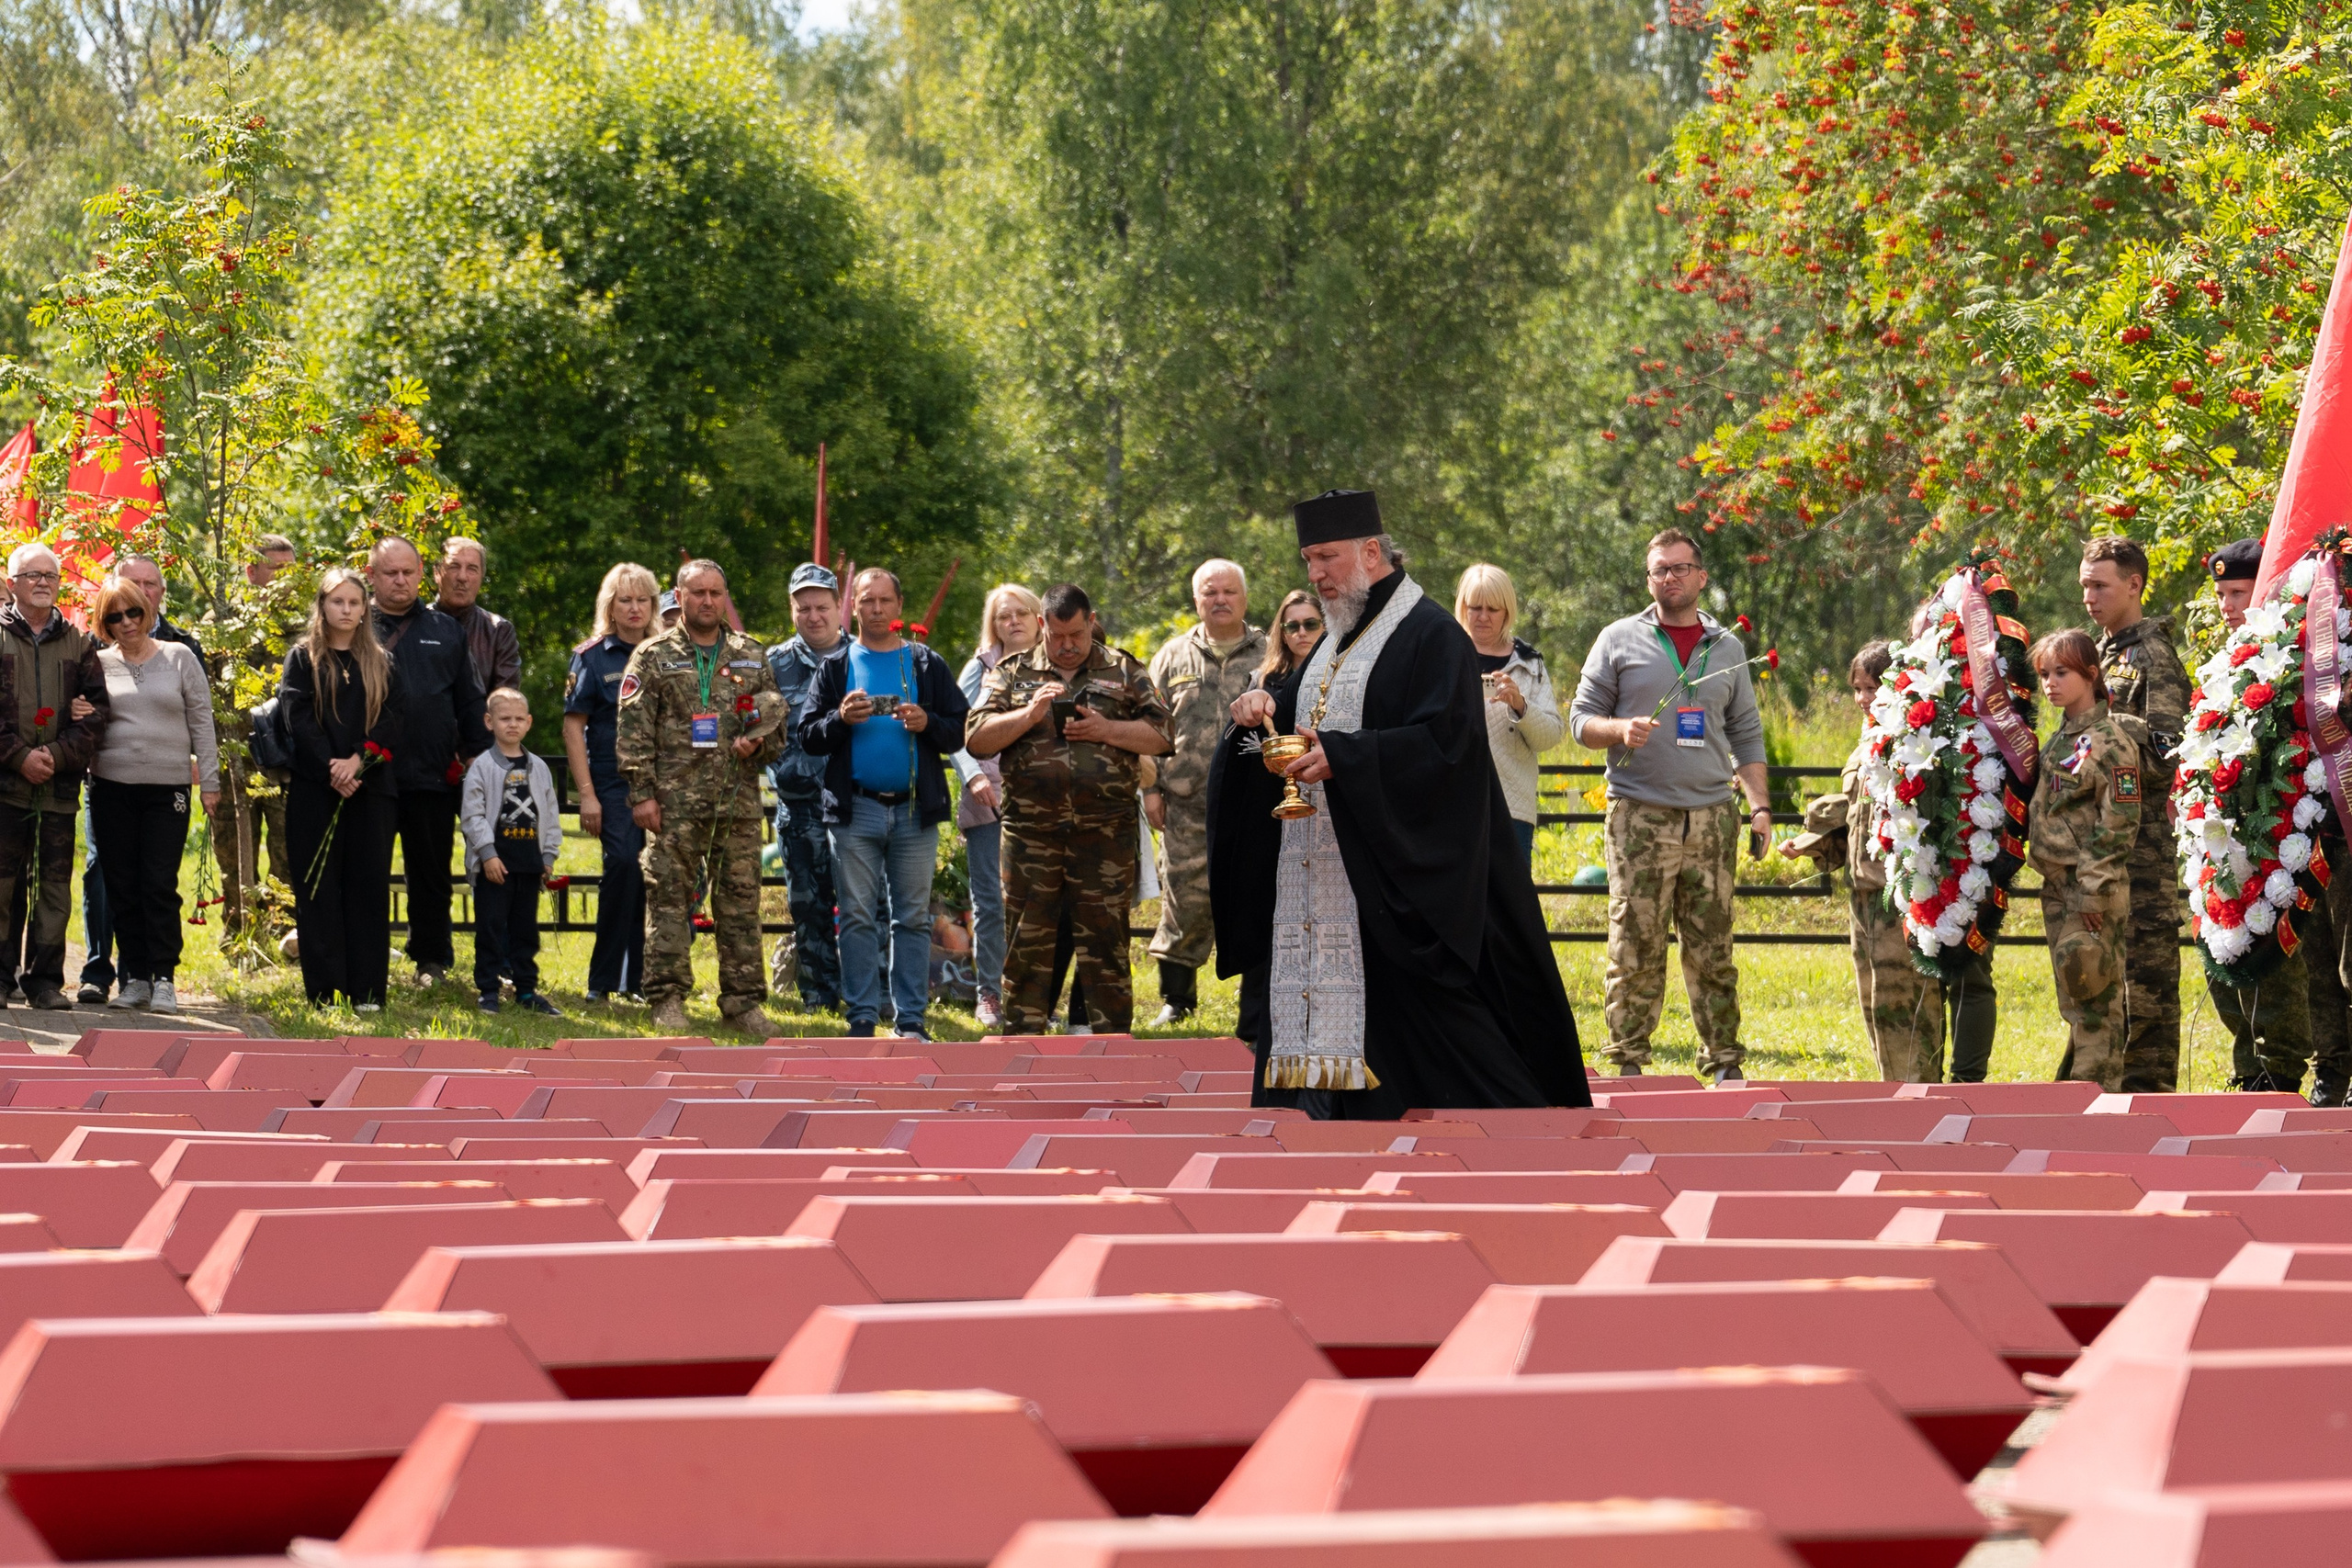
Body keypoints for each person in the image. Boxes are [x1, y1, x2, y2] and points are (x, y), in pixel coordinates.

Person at [1210, 491, 1588, 1116]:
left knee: (1447, 1059)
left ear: (1369, 552)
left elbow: (1449, 746)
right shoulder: (1329, 645)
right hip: (1322, 879)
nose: (1315, 574)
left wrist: (1349, 759)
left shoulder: (1432, 633)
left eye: (1326, 557)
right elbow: (1297, 730)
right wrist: (1256, 720)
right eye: (1308, 559)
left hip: (1396, 891)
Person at [1566, 528, 1770, 1082]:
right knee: (1634, 941)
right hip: (1640, 814)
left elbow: (1747, 735)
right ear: (1649, 578)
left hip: (1710, 817)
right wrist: (1617, 729)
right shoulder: (1617, 639)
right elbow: (1580, 720)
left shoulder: (1726, 647)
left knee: (1713, 947)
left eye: (1680, 568)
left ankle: (1724, 1062)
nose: (1670, 578)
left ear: (1701, 578)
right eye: (1660, 570)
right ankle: (1627, 1059)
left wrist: (1758, 808)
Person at [1784, 640, 1995, 1081]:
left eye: (1871, 687)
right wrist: (1815, 842)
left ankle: (1917, 1095)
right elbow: (1858, 816)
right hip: (1861, 892)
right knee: (1875, 1003)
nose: (1863, 698)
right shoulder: (1865, 744)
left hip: (1899, 895)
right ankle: (1893, 1087)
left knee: (1906, 1004)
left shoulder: (1911, 740)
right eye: (1857, 689)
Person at [968, 582, 1168, 1035]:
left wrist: (1107, 729)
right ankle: (1022, 1040)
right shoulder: (1013, 672)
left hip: (1104, 834)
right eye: (1057, 635)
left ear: (1091, 621)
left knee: (1106, 943)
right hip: (1031, 836)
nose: (1067, 645)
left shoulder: (1123, 670)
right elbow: (976, 737)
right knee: (1027, 942)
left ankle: (1110, 1042)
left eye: (1076, 634)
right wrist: (1025, 717)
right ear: (1042, 626)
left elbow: (1162, 736)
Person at [2193, 538, 2339, 1097]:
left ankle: (2284, 1066)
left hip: (2290, 829)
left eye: (2240, 592)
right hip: (2230, 832)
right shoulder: (2224, 664)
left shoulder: (2302, 653)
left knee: (2295, 956)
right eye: (2222, 593)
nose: (2228, 605)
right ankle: (2249, 1064)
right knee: (2230, 947)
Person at [616, 558, 786, 1036]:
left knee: (740, 902)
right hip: (673, 804)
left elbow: (776, 724)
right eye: (697, 593)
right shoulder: (652, 656)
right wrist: (642, 794)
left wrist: (760, 741)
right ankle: (667, 998)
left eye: (715, 593)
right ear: (679, 597)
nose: (707, 601)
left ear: (724, 597)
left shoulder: (751, 655)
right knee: (668, 899)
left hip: (736, 802)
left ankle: (743, 1003)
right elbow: (633, 732)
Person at [800, 568, 970, 1042]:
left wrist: (927, 722)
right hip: (857, 810)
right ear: (853, 607)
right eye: (867, 601)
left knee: (911, 918)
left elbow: (960, 729)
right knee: (855, 915)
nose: (876, 609)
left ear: (900, 607)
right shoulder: (836, 666)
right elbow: (808, 738)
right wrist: (840, 719)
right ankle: (862, 1016)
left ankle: (911, 1019)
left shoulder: (923, 663)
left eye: (885, 601)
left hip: (916, 810)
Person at [2080, 535, 2190, 1092]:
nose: (2089, 597)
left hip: (2142, 854)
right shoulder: (2099, 656)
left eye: (2100, 585)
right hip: (2103, 849)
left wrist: (2106, 732)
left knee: (2144, 992)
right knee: (2104, 988)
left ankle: (2151, 1110)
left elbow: (2171, 751)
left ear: (2134, 585)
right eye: (2084, 586)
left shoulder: (2152, 657)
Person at [85, 575, 218, 1015]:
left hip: (168, 789)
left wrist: (211, 781)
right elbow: (84, 713)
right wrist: (75, 709)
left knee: (158, 883)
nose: (126, 623)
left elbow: (202, 720)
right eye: (114, 617)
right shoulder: (97, 663)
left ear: (148, 609)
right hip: (111, 786)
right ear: (104, 624)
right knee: (121, 884)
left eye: (134, 612)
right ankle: (135, 978)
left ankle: (164, 977)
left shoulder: (179, 657)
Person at [1144, 560, 1267, 1026]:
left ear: (1244, 598)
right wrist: (1151, 789)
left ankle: (1255, 1009)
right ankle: (1177, 1000)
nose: (1220, 600)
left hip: (1255, 802)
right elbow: (1150, 725)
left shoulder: (1269, 653)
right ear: (1196, 600)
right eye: (1210, 592)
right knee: (1183, 899)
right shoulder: (1172, 656)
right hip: (1185, 804)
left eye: (1229, 592)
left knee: (1255, 897)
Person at [368, 536, 488, 988]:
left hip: (433, 774)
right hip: (369, 775)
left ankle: (431, 959)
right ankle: (369, 951)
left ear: (423, 574)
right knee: (369, 870)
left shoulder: (447, 629)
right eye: (390, 573)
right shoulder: (357, 627)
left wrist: (476, 753)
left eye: (407, 572)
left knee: (432, 873)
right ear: (372, 575)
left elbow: (470, 700)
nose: (400, 581)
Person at [281, 568, 401, 1010]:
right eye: (338, 602)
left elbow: (393, 719)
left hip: (371, 791)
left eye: (355, 602)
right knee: (319, 889)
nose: (346, 610)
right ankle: (325, 991)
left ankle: (368, 990)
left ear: (365, 608)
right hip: (317, 789)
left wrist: (357, 760)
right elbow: (297, 716)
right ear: (323, 606)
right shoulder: (303, 658)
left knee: (367, 888)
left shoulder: (382, 660)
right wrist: (332, 767)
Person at [2028, 629, 2142, 1089]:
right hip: (2059, 887)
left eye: (2062, 673)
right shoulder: (2062, 739)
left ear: (2091, 675)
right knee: (2078, 997)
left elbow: (2119, 822)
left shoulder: (2111, 740)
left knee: (2095, 998)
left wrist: (2094, 892)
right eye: (2043, 675)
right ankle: (2080, 1086)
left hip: (2092, 889)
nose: (2050, 683)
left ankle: (2099, 1098)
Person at [0, 544, 109, 1010]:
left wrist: (57, 754)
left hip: (59, 789)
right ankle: (1, 979)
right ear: (11, 584)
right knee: (2, 887)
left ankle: (44, 982)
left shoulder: (79, 642)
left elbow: (98, 710)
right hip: (5, 786)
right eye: (31, 575)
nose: (42, 582)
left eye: (50, 575)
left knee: (53, 889)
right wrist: (19, 756)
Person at [564, 562, 658, 1004]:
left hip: (663, 783)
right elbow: (573, 726)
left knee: (654, 877)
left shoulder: (666, 652)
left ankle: (642, 982)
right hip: (611, 782)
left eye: (642, 599)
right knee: (622, 865)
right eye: (626, 600)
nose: (635, 608)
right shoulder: (591, 656)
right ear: (611, 607)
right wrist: (587, 796)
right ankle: (604, 980)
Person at [954, 584, 1041, 1032]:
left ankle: (1033, 996)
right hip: (988, 798)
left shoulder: (1053, 665)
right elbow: (957, 729)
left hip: (1043, 801)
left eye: (1022, 612)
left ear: (1038, 617)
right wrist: (975, 776)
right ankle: (990, 992)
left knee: (1038, 902)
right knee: (990, 901)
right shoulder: (980, 667)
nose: (1013, 621)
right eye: (1004, 615)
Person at [765, 563, 851, 1014]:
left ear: (840, 607)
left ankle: (870, 995)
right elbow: (762, 734)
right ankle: (818, 994)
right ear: (792, 610)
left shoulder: (865, 659)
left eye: (822, 606)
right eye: (804, 608)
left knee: (864, 905)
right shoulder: (773, 665)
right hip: (801, 809)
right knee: (809, 906)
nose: (814, 616)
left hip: (859, 806)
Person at [212, 535, 297, 938]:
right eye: (277, 570)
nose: (286, 580)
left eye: (290, 571)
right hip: (235, 762)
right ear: (251, 571)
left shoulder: (307, 628)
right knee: (232, 855)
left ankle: (282, 936)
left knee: (287, 854)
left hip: (287, 764)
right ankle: (241, 934)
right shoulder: (221, 625)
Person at [1454, 563, 1566, 868]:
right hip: (1450, 807)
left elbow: (1551, 737)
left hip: (1511, 809)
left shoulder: (1530, 664)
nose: (1483, 616)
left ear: (1508, 611)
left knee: (1510, 909)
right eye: (1475, 607)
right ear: (1462, 607)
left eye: (1493, 608)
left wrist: (1520, 705)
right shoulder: (1442, 656)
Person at [463, 689, 563, 1016]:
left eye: (519, 718)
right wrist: (487, 854)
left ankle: (525, 990)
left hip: (528, 864)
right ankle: (488, 990)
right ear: (489, 722)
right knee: (490, 928)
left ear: (529, 722)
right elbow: (473, 816)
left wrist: (548, 857)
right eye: (505, 718)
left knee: (525, 932)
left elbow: (550, 814)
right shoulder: (481, 768)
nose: (512, 725)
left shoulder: (539, 768)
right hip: (495, 865)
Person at [433, 538, 523, 694]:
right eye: (454, 566)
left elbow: (504, 702)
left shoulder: (498, 631)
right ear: (437, 573)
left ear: (482, 577)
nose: (462, 577)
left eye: (472, 569)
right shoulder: (414, 624)